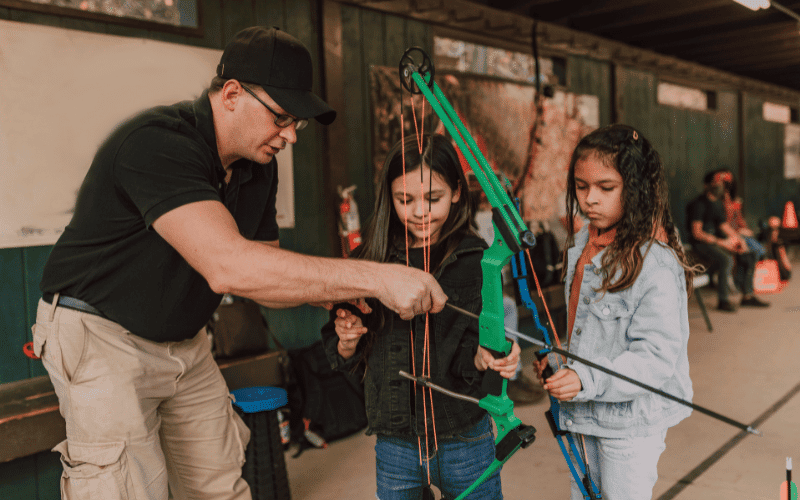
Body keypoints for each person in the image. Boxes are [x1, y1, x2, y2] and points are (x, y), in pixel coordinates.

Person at [32, 26, 446, 500]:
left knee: (221, 485)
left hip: (184, 341)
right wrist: (377, 277)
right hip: (101, 336)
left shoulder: (258, 167)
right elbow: (230, 267)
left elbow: (263, 274)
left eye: (299, 124)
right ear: (231, 94)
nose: (291, 135)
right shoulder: (157, 143)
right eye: (283, 117)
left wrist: (334, 293)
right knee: (124, 490)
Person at [321, 133, 520, 500]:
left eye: (433, 198)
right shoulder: (369, 259)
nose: (419, 211)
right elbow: (338, 345)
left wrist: (485, 356)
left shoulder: (477, 260)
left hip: (463, 435)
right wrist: (347, 340)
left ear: (458, 192)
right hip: (395, 442)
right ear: (389, 197)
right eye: (404, 199)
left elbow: (477, 348)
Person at [535, 124, 695, 500]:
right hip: (582, 413)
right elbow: (587, 331)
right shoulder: (581, 242)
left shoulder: (654, 263)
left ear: (636, 189)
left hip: (628, 426)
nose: (590, 199)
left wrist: (584, 378)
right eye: (580, 186)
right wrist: (561, 363)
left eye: (606, 188)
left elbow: (655, 359)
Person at [686, 170, 768, 310]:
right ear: (707, 185)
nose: (720, 186)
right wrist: (722, 242)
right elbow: (697, 233)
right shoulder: (698, 204)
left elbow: (723, 226)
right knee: (726, 259)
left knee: (749, 254)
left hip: (717, 240)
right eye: (716, 183)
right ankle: (723, 301)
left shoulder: (717, 205)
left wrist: (738, 240)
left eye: (721, 183)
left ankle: (747, 296)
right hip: (700, 244)